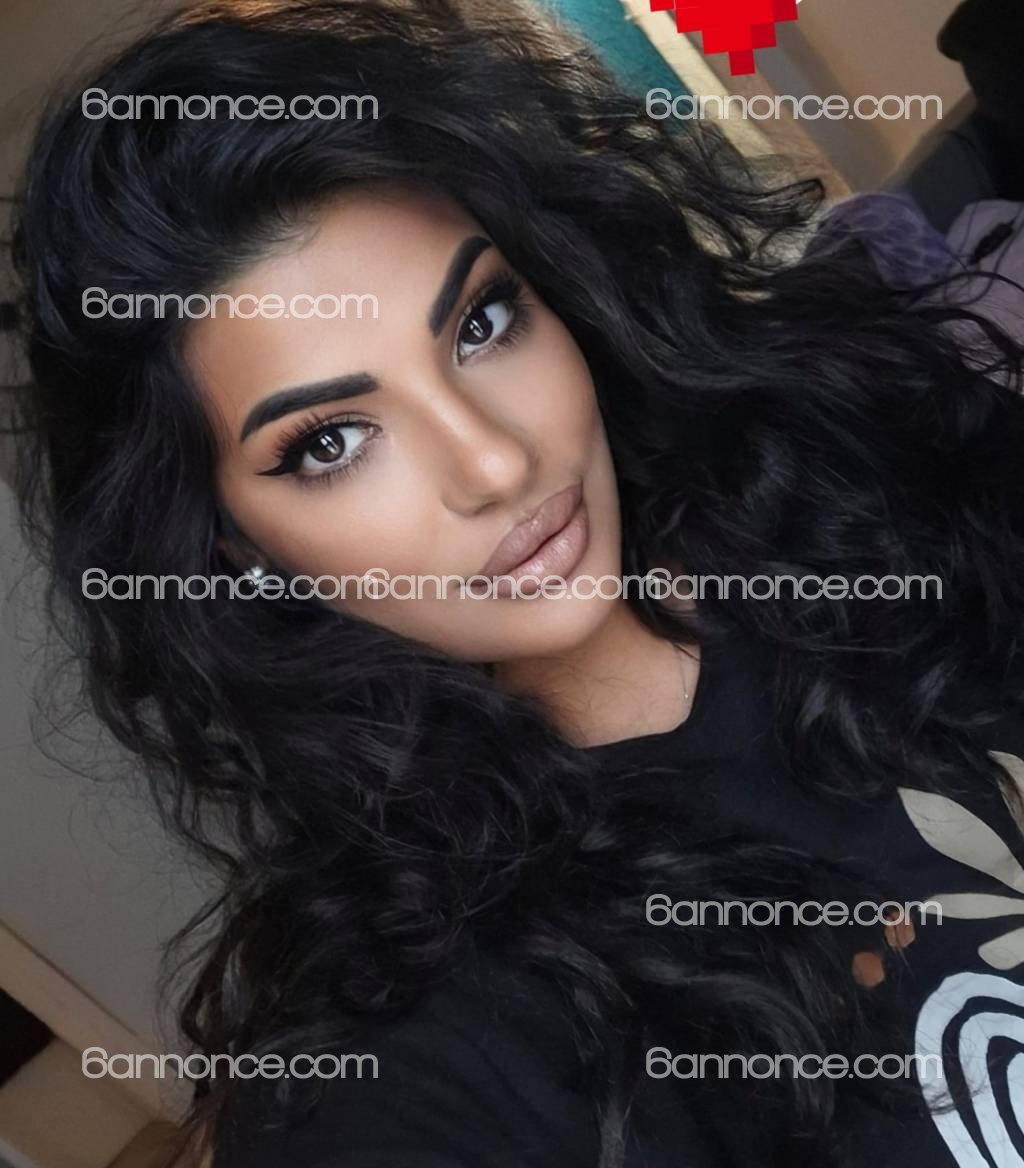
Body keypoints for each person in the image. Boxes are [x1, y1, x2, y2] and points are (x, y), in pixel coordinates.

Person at [10, 1, 1024, 1165]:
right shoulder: (420, 1059)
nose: (494, 461)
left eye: (481, 322)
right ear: (236, 547)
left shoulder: (848, 452)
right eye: (331, 442)